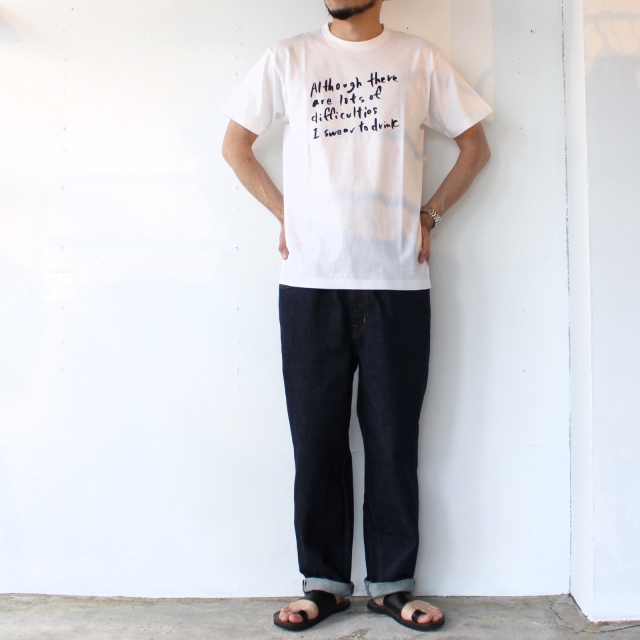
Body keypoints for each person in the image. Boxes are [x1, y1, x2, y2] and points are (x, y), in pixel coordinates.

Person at [221, 0, 491, 632]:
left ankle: (393, 584)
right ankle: (323, 583)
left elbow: (475, 147)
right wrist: (286, 213)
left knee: (393, 439)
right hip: (310, 283)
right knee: (316, 441)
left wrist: (429, 216)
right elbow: (235, 146)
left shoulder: (418, 58)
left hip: (396, 280)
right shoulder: (288, 57)